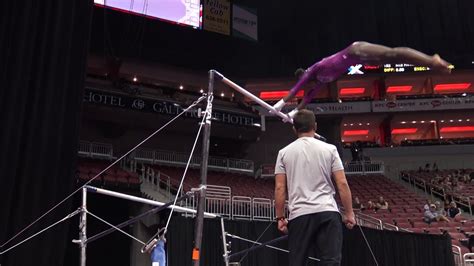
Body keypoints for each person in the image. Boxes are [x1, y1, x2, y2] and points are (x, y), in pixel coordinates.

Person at [272, 41, 452, 118]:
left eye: (303, 79)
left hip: (355, 51)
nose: (305, 83)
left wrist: (279, 105)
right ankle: (431, 62)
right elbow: (308, 97)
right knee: (393, 57)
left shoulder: (312, 70)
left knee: (393, 54)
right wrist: (294, 113)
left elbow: (295, 90)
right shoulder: (320, 81)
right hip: (357, 59)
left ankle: (432, 60)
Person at [274, 109, 356, 266]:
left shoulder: (283, 153)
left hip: (299, 215)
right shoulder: (330, 149)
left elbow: (279, 188)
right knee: (330, 262)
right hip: (327, 212)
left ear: (294, 129)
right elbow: (342, 183)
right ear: (315, 126)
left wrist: (280, 218)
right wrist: (350, 213)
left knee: (298, 262)